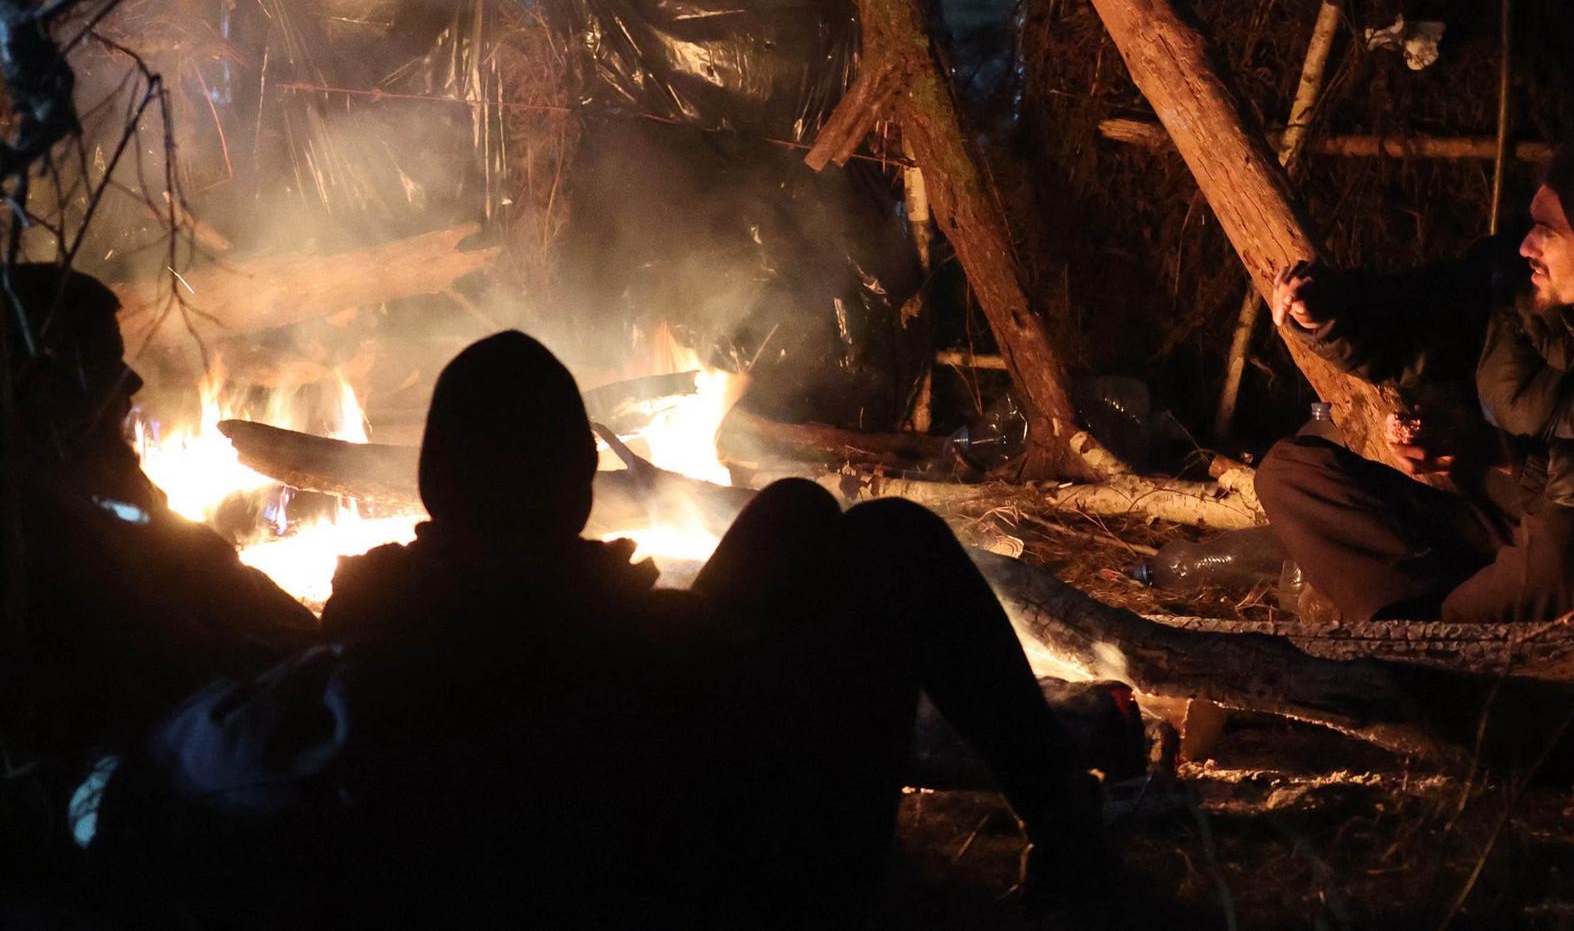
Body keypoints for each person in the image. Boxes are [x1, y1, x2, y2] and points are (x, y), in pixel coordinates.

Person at [102, 331, 1115, 926]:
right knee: (892, 539)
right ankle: (1070, 835)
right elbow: (694, 723)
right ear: (582, 487)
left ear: (432, 486)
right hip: (723, 887)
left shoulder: (373, 627)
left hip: (565, 839)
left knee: (795, 512)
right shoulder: (629, 638)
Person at [1255, 123, 1574, 623]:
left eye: (1549, 232)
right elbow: (1411, 320)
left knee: (1564, 550)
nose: (1527, 246)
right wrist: (1329, 312)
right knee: (1291, 473)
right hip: (1490, 527)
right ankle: (1425, 626)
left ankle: (1427, 634)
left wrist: (1506, 455)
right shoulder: (1512, 289)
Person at [0, 265, 315, 864]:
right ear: (42, 376)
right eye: (103, 359)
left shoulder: (96, 475)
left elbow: (203, 564)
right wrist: (251, 660)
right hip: (96, 772)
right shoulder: (27, 513)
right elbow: (135, 637)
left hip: (182, 713)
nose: (132, 380)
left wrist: (306, 635)